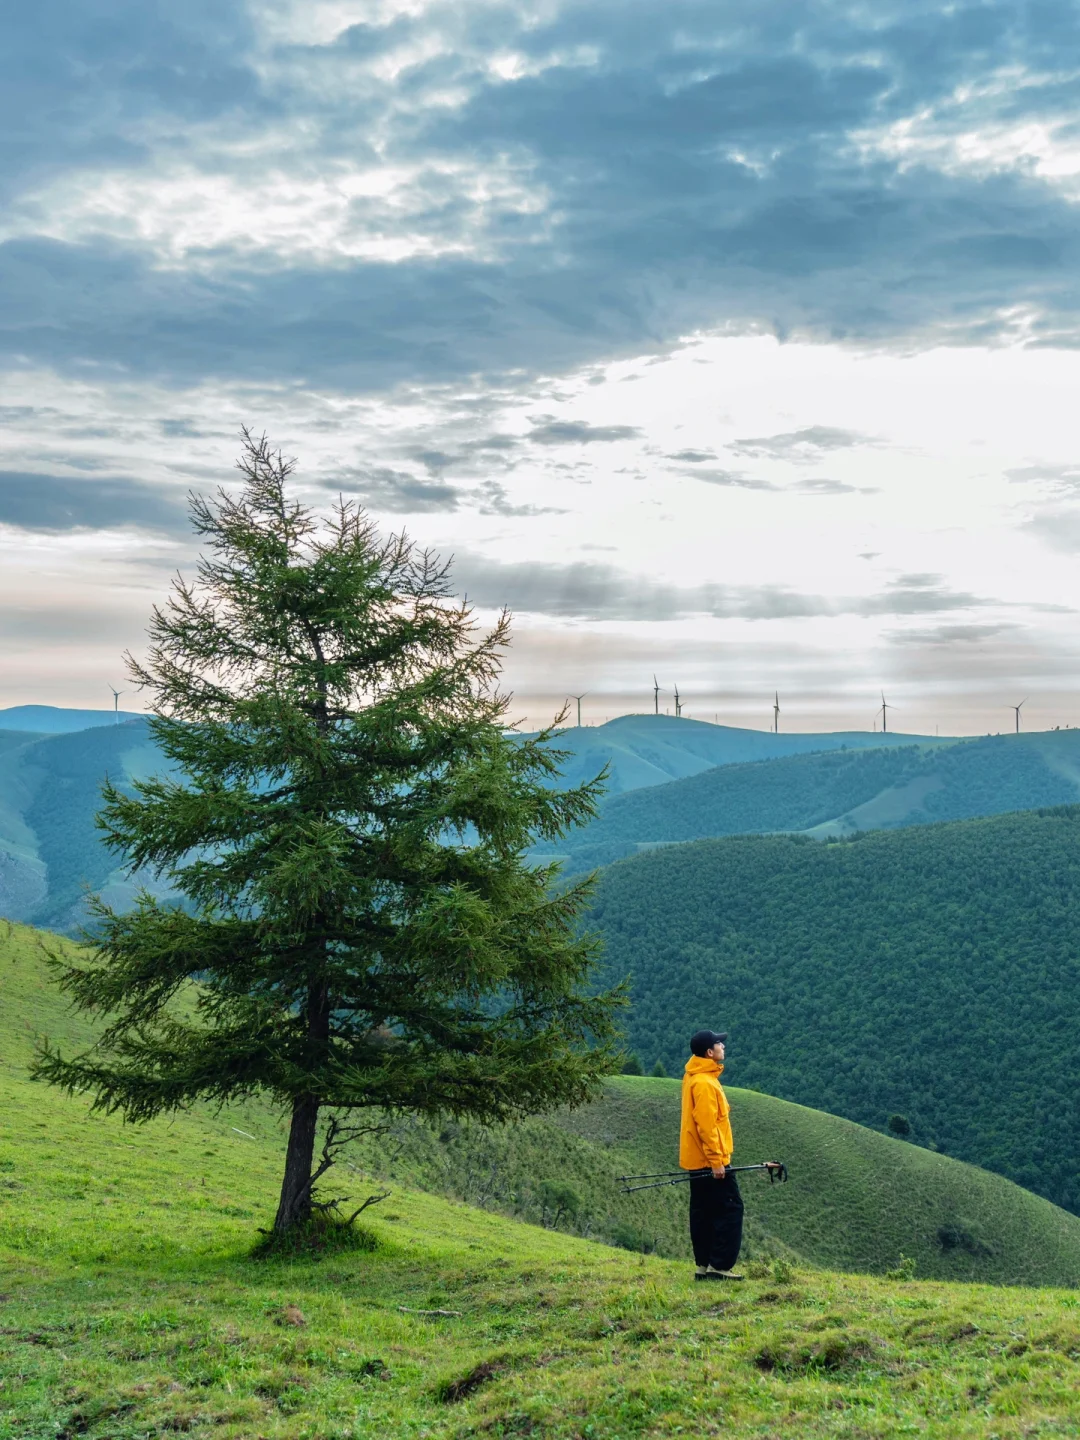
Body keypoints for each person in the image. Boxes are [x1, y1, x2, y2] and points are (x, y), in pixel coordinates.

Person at [681, 1028, 744, 1280]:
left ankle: (703, 1265)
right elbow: (707, 1126)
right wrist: (717, 1161)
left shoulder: (693, 1077)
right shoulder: (706, 1083)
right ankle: (720, 1266)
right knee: (730, 1209)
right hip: (711, 1161)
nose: (723, 1047)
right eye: (719, 1044)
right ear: (710, 1052)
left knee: (703, 1212)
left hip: (696, 1160)